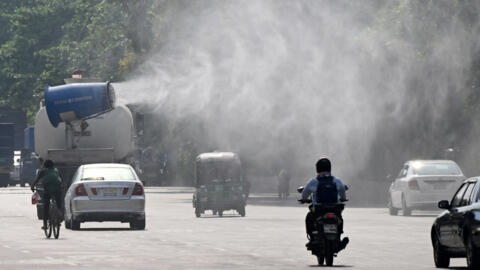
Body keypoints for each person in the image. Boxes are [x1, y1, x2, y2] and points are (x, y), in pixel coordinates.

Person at [300, 158, 349, 249]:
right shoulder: (336, 180)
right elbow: (342, 191)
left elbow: (305, 193)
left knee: (309, 217)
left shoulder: (314, 181)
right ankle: (339, 236)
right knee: (340, 219)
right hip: (335, 208)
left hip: (319, 209)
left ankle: (311, 239)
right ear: (329, 168)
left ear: (317, 169)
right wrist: (343, 198)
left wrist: (303, 199)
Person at [30, 160, 62, 229]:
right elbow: (60, 178)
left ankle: (45, 225)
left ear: (44, 166)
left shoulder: (42, 171)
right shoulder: (56, 170)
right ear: (53, 166)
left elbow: (37, 179)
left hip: (48, 189)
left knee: (46, 206)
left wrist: (32, 186)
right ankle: (59, 212)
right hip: (57, 188)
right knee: (58, 201)